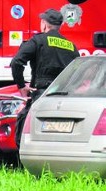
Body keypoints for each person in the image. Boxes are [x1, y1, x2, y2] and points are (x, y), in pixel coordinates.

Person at [11, 8, 79, 148]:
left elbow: (17, 62)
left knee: (25, 127)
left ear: (44, 24)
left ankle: (24, 164)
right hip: (66, 98)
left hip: (42, 95)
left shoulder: (38, 40)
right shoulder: (72, 47)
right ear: (59, 26)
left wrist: (21, 86)